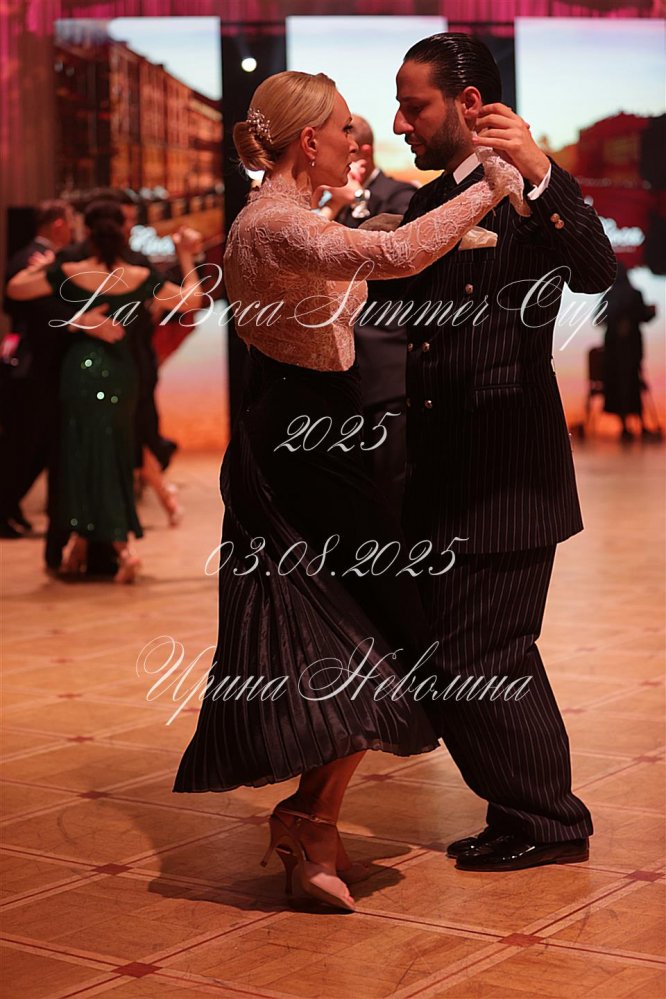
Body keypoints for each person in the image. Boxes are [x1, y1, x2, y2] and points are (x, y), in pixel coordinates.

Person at [172, 69, 526, 912]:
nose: (354, 142)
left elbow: (354, 277)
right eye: (343, 131)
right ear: (309, 142)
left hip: (316, 437)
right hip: (299, 450)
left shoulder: (286, 220)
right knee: (387, 629)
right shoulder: (276, 222)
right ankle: (310, 818)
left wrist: (434, 235)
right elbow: (391, 257)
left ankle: (312, 819)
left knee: (369, 634)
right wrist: (492, 184)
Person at [377, 32, 616, 872]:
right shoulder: (427, 200)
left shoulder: (528, 194)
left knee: (486, 651)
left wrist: (542, 172)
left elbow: (596, 271)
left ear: (469, 103)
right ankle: (525, 810)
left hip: (508, 469)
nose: (399, 122)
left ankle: (548, 821)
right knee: (463, 653)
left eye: (413, 105)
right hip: (440, 469)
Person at [6, 200, 203, 582]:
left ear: (87, 233)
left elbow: (16, 289)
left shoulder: (69, 270)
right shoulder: (139, 274)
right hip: (121, 372)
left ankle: (90, 538)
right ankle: (100, 541)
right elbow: (192, 299)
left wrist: (48, 266)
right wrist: (184, 254)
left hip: (79, 373)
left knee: (81, 454)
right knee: (116, 454)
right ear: (122, 233)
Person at [319, 115, 418, 513]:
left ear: (360, 153)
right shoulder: (332, 202)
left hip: (383, 367)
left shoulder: (401, 196)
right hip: (336, 372)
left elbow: (389, 261)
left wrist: (351, 202)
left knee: (389, 489)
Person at [601, 262, 657, 441]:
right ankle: (638, 425)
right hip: (628, 348)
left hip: (617, 348)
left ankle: (627, 425)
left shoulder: (610, 295)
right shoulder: (633, 294)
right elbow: (643, 316)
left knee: (625, 384)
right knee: (632, 384)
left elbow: (600, 319)